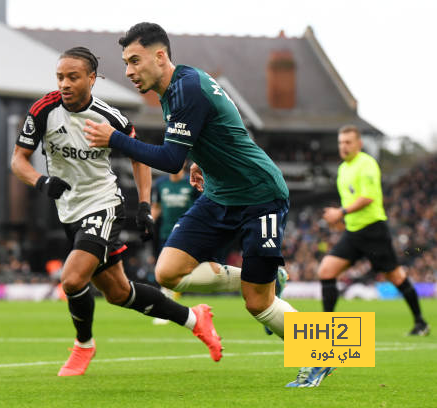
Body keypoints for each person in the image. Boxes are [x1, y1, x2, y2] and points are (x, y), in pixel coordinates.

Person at [84, 22, 332, 387]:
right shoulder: (180, 86)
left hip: (259, 195)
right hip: (219, 194)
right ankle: (270, 278)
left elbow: (170, 161)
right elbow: (224, 127)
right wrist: (204, 158)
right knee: (167, 271)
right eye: (126, 62)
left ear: (160, 55)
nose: (128, 71)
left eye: (135, 61)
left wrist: (115, 139)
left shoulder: (186, 90)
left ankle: (319, 355)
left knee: (257, 303)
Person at [10, 46, 222, 377]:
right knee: (119, 293)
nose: (64, 84)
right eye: (60, 77)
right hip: (69, 211)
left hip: (103, 204)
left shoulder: (111, 118)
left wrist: (142, 203)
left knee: (71, 279)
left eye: (73, 77)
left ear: (92, 79)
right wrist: (41, 182)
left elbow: (139, 157)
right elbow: (18, 160)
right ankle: (195, 319)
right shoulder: (43, 110)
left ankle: (83, 345)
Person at [319, 125, 429, 336]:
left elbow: (367, 197)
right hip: (353, 232)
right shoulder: (343, 169)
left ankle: (420, 323)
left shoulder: (367, 164)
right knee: (326, 270)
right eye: (341, 142)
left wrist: (340, 212)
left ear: (359, 144)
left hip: (373, 231)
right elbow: (351, 202)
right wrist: (341, 220)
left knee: (396, 277)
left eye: (348, 142)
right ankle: (328, 330)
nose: (344, 146)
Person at [150, 165, 199, 324]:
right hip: (166, 233)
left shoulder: (190, 183)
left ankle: (169, 306)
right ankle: (166, 307)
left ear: (183, 164)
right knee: (164, 271)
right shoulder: (161, 184)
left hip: (187, 233)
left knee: (184, 272)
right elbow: (156, 207)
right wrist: (149, 222)